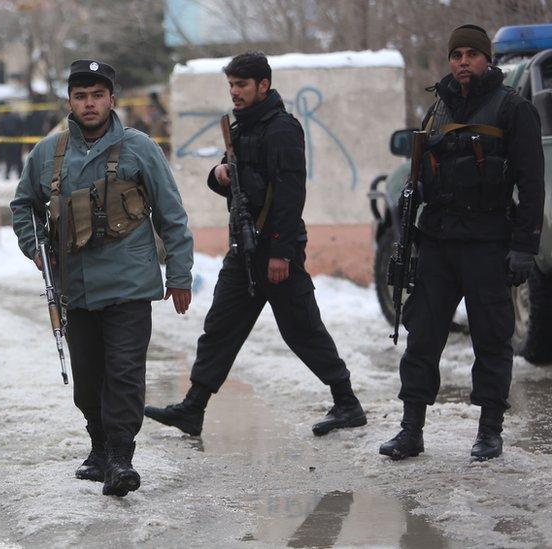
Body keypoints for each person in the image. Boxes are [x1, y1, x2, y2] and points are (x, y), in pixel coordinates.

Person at [144, 52, 367, 439]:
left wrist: (280, 251)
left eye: (241, 85)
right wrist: (218, 174)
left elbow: (290, 194)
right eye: (231, 85)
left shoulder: (281, 129)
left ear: (263, 85)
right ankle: (193, 408)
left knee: (302, 330)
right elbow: (229, 178)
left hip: (275, 249)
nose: (234, 92)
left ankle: (347, 402)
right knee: (220, 327)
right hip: (244, 250)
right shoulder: (243, 127)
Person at [10, 60, 194, 497]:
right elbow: (24, 207)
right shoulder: (47, 154)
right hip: (75, 287)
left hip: (129, 285)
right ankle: (99, 445)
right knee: (88, 377)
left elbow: (172, 214)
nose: (89, 104)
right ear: (70, 102)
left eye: (97, 95)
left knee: (125, 372)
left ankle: (120, 457)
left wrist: (180, 274)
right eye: (80, 96)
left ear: (112, 99)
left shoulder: (140, 148)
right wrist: (34, 248)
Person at [379, 25, 544, 462]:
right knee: (423, 338)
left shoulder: (513, 109)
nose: (463, 61)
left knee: (491, 339)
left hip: (488, 241)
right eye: (457, 55)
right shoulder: (437, 108)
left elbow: (531, 185)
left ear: (487, 59)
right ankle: (410, 430)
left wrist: (524, 246)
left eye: (472, 54)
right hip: (437, 242)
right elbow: (417, 179)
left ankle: (489, 431)